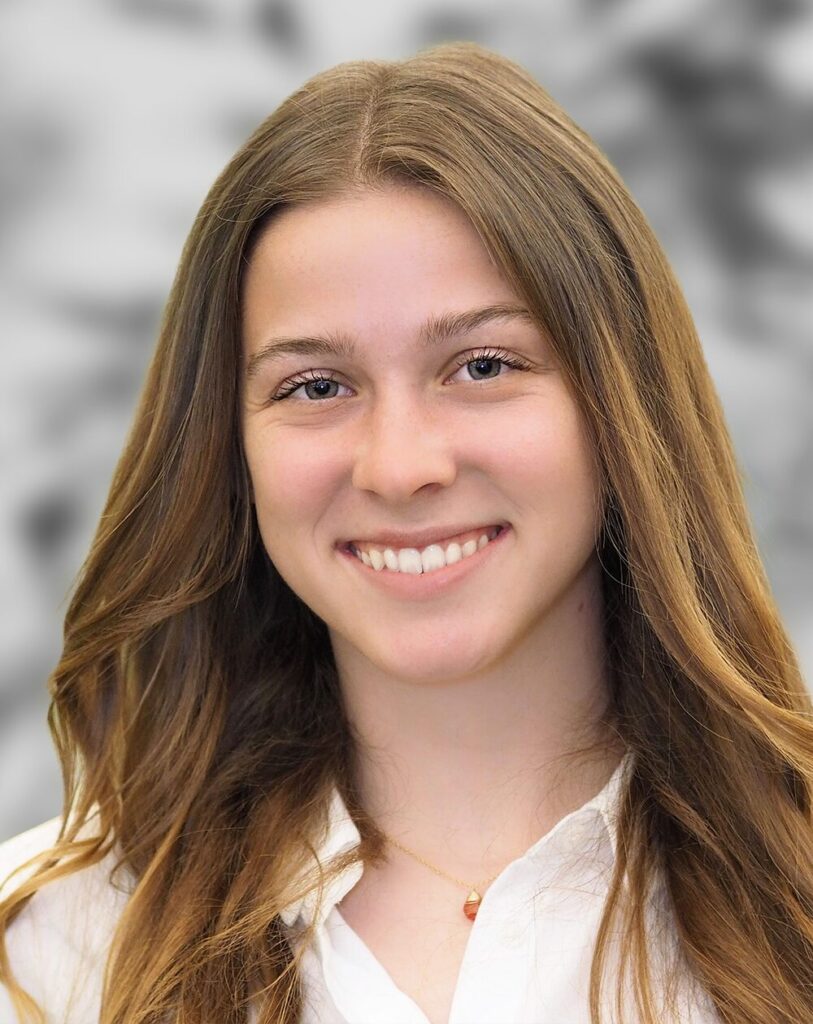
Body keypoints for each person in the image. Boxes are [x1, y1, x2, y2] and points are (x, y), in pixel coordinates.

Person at [1, 40, 812, 1024]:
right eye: (316, 386)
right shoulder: (47, 950)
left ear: (619, 400)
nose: (400, 464)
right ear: (228, 448)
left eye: (481, 365)